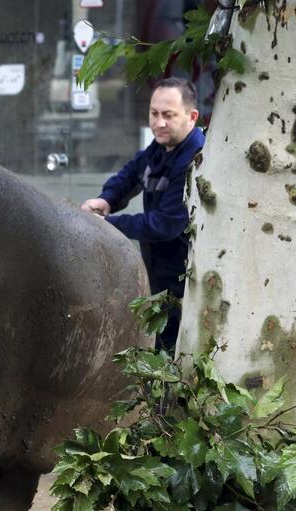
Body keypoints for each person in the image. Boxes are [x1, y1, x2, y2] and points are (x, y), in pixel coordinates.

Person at [80, 77, 204, 351]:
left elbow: (165, 225)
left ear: (192, 116)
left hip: (188, 283)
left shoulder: (196, 157)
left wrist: (106, 224)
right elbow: (132, 174)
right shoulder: (161, 147)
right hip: (159, 277)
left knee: (178, 354)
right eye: (154, 114)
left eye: (168, 115)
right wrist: (106, 199)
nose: (159, 123)